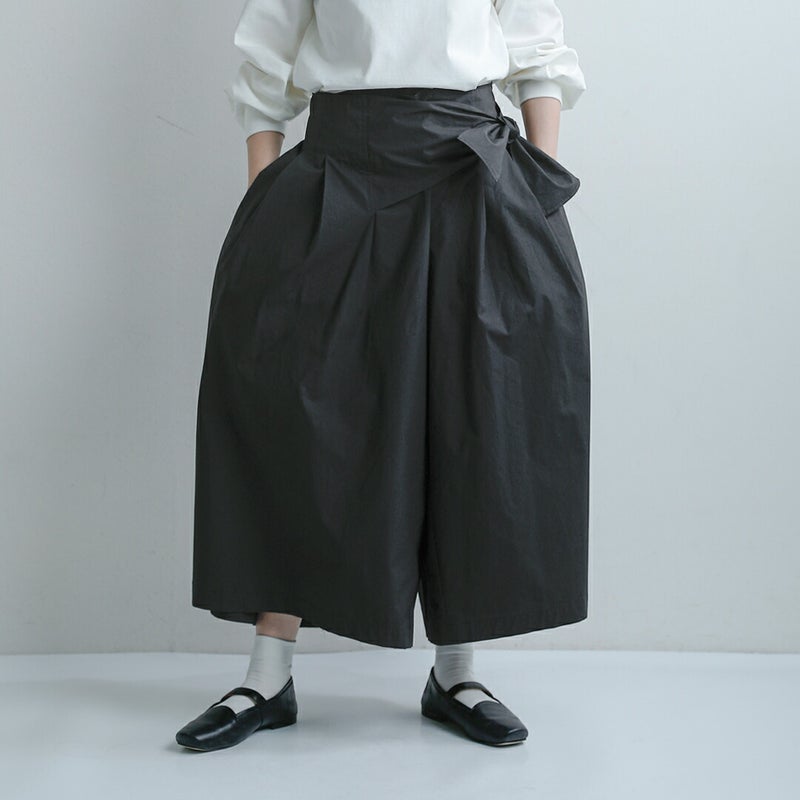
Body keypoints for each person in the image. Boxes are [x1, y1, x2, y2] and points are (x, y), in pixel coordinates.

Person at [176, 0, 589, 751]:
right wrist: (263, 202)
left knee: (474, 412)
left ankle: (456, 674)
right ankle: (267, 677)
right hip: (340, 173)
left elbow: (539, 56)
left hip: (471, 175)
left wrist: (539, 195)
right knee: (295, 416)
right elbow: (266, 69)